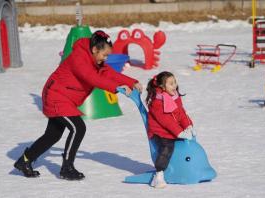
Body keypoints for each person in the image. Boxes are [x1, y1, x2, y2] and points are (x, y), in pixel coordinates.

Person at [14, 30, 143, 180]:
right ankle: (67, 167)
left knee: (52, 135)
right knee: (78, 128)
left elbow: (107, 73)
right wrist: (116, 88)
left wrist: (131, 81)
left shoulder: (95, 60)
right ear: (95, 49)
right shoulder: (79, 58)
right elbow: (92, 78)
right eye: (104, 55)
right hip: (56, 96)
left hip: (64, 97)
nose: (105, 58)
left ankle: (24, 161)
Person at [145, 71, 196, 188]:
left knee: (188, 141)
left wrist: (188, 125)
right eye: (171, 83)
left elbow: (181, 113)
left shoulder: (174, 96)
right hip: (160, 131)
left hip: (172, 130)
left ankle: (184, 168)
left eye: (175, 82)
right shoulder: (157, 102)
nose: (175, 85)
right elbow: (166, 121)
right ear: (162, 87)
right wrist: (179, 132)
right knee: (167, 146)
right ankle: (159, 174)